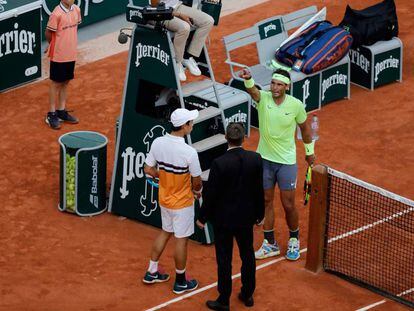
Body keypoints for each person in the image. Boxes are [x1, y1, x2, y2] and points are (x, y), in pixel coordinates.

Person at [239, 68, 316, 261]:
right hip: (264, 160)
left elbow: (305, 129)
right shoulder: (263, 99)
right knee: (266, 201)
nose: (274, 87)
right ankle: (270, 243)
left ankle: (293, 239)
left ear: (287, 87)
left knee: (288, 204)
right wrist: (249, 80)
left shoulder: (296, 105)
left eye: (279, 84)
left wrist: (309, 152)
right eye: (273, 83)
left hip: (286, 163)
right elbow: (254, 92)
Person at [197, 123, 265, 310]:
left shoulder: (219, 163)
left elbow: (211, 195)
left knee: (224, 259)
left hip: (224, 221)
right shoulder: (255, 159)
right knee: (247, 255)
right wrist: (260, 215)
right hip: (246, 219)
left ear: (227, 139)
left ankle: (224, 299)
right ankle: (248, 294)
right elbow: (259, 191)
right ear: (243, 138)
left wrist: (202, 218)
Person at [143, 108, 203, 295]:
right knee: (181, 240)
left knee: (165, 232)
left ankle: (152, 271)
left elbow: (148, 169)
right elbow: (197, 180)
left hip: (165, 199)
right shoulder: (189, 152)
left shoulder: (158, 142)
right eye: (190, 123)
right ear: (184, 126)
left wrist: (163, 176)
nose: (192, 125)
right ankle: (180, 281)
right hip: (183, 203)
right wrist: (198, 192)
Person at [150, 0, 214, 81]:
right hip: (159, 13)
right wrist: (179, 15)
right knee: (184, 28)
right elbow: (154, 6)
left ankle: (187, 57)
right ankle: (177, 62)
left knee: (208, 21)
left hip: (177, 7)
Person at [44, 0, 81, 130]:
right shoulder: (56, 14)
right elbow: (48, 33)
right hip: (59, 55)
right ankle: (51, 114)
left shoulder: (76, 9)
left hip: (71, 54)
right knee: (55, 83)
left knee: (65, 81)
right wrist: (53, 45)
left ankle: (61, 111)